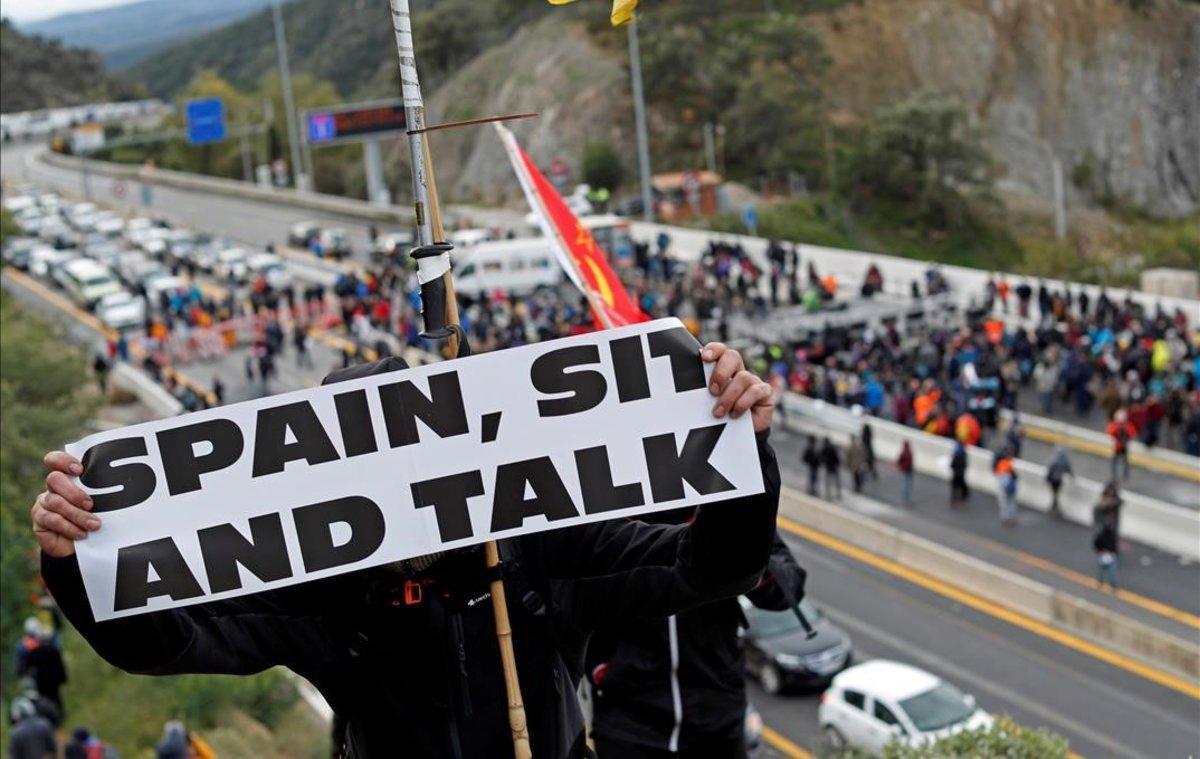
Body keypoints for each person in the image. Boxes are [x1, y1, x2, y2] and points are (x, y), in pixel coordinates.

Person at [32, 343, 782, 759]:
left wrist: (743, 450)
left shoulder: (538, 550)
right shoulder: (322, 597)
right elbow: (166, 641)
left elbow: (712, 565)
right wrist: (74, 561)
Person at [588, 531, 805, 758]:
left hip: (717, 713)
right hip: (627, 719)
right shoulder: (611, 510)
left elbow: (789, 584)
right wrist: (598, 666)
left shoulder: (722, 506)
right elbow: (565, 585)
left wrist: (748, 561)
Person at [1092, 483, 1123, 591]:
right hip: (1104, 544)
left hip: (1109, 545)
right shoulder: (1101, 521)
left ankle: (1111, 585)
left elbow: (1119, 502)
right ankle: (1101, 583)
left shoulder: (1115, 504)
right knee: (1104, 568)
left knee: (1110, 569)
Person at [1106, 410, 1136, 483]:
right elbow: (1133, 434)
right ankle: (1124, 475)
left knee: (1115, 462)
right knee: (1124, 462)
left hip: (1118, 447)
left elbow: (1109, 432)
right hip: (1123, 447)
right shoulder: (1127, 425)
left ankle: (1115, 476)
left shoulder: (1115, 425)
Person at [1045, 446, 1073, 515]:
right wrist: (1072, 476)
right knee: (1056, 493)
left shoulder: (1054, 459)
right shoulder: (1065, 460)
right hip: (1059, 480)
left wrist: (1047, 477)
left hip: (1053, 479)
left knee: (1055, 493)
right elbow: (1068, 469)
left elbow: (1050, 469)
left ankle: (1054, 507)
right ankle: (1055, 506)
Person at [993, 450, 1018, 525]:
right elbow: (1014, 476)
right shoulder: (1008, 464)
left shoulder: (1001, 464)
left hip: (1005, 487)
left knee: (1004, 502)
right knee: (1010, 502)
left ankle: (1006, 517)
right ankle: (1010, 517)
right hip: (1009, 487)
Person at [949, 440, 969, 506]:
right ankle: (957, 499)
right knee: (958, 486)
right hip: (960, 472)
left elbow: (953, 463)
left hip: (958, 473)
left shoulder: (958, 453)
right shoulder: (962, 452)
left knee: (956, 487)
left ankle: (956, 499)